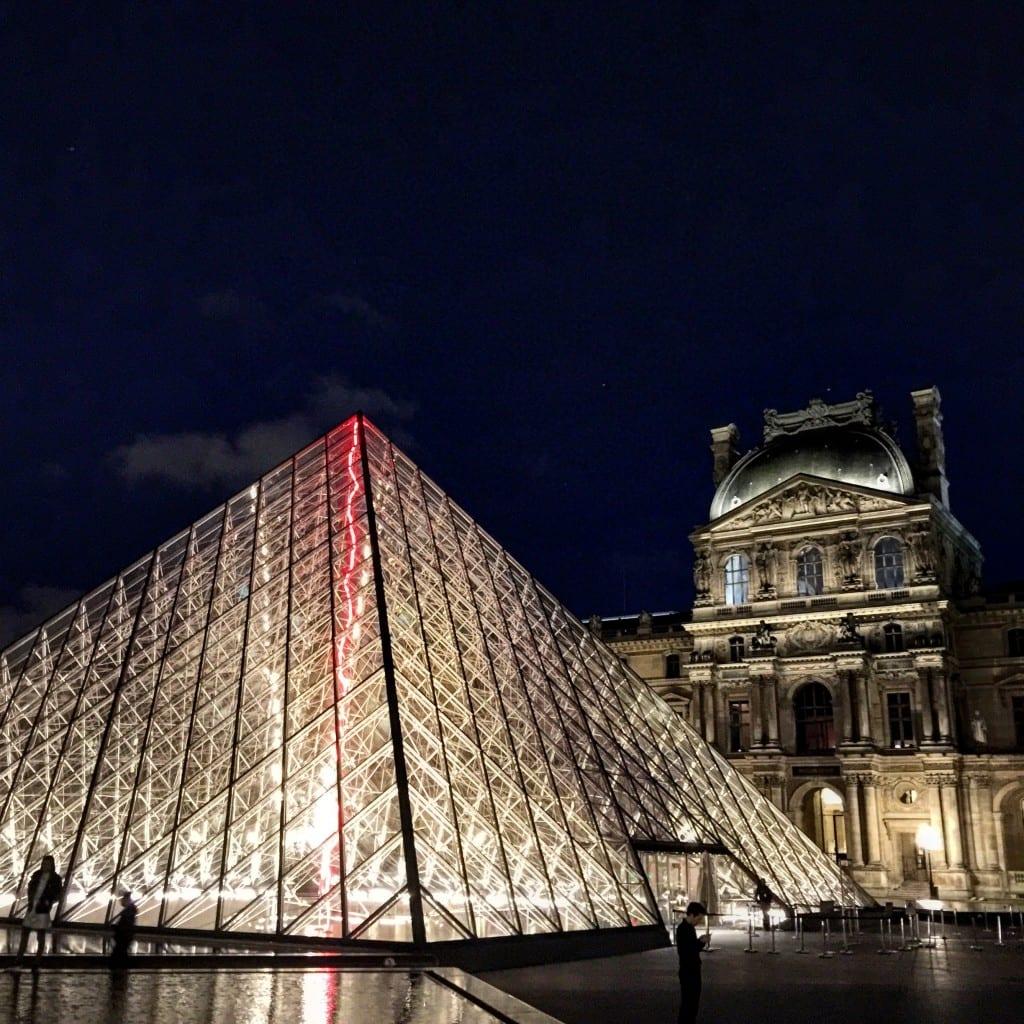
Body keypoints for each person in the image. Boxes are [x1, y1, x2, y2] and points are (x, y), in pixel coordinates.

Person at [15, 855, 63, 968]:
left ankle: (36, 960)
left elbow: (58, 894)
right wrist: (31, 898)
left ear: (52, 865)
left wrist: (48, 901)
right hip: (33, 907)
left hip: (42, 909)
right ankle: (20, 958)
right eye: (44, 863)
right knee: (25, 932)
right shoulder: (37, 875)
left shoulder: (55, 879)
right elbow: (30, 887)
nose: (45, 866)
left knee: (40, 935)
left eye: (48, 864)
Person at [676, 900, 707, 1024]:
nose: (699, 922)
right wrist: (701, 942)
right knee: (689, 1003)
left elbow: (690, 948)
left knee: (690, 1003)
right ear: (692, 915)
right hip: (689, 971)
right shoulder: (685, 929)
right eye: (698, 918)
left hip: (689, 969)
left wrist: (699, 942)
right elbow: (688, 951)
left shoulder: (687, 928)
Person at [110, 890, 138, 968]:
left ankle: (118, 970)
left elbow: (124, 925)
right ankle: (121, 970)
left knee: (119, 952)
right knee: (121, 953)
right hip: (125, 936)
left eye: (123, 899)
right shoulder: (131, 910)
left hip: (123, 936)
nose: (121, 901)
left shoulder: (128, 911)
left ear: (127, 899)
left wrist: (118, 931)